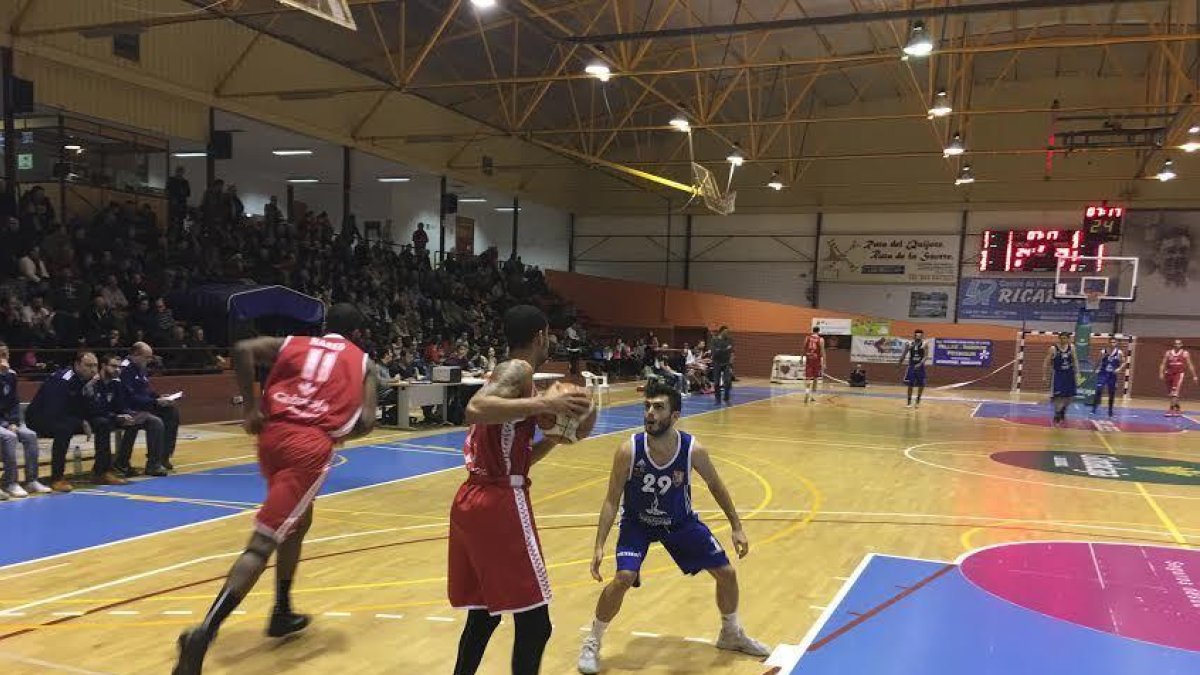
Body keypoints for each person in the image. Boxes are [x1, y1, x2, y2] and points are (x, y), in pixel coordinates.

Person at [173, 304, 377, 675]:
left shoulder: (297, 343)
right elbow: (366, 421)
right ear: (358, 332)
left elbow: (243, 349)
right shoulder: (362, 361)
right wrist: (339, 429)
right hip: (308, 445)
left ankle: (282, 610)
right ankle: (205, 631)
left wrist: (251, 408)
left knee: (300, 519)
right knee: (262, 544)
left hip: (272, 436)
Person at [576, 381, 770, 674]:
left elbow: (716, 486)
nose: (650, 413)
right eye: (647, 407)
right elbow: (611, 500)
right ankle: (593, 641)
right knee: (624, 577)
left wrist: (736, 526)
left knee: (727, 573)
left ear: (675, 415)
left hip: (679, 523)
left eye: (658, 407)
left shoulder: (693, 449)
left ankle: (730, 634)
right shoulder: (628, 450)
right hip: (637, 524)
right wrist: (599, 544)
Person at [448, 305, 592, 675]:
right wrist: (547, 402)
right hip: (499, 501)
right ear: (541, 335)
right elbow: (475, 408)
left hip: (476, 498)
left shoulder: (510, 376)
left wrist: (555, 440)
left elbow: (515, 459)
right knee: (535, 624)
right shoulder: (519, 369)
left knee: (483, 614)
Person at [23, 351, 99, 493]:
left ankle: (102, 471)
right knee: (64, 429)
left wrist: (85, 418)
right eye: (88, 365)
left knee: (102, 422)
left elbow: (87, 408)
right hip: (40, 418)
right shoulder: (63, 379)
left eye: (95, 366)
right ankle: (57, 478)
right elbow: (54, 410)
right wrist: (81, 421)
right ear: (77, 365)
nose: (93, 369)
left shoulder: (89, 381)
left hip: (67, 417)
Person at [117, 342, 180, 476]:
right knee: (155, 422)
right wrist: (155, 402)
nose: (149, 360)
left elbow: (146, 390)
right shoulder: (125, 369)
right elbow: (130, 397)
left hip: (143, 405)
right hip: (130, 408)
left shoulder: (140, 367)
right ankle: (153, 464)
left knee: (171, 412)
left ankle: (163, 457)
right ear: (135, 355)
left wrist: (160, 397)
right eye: (147, 357)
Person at [82, 354, 134, 486]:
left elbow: (120, 405)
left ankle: (121, 464)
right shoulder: (93, 383)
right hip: (89, 418)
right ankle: (102, 472)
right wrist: (115, 416)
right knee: (103, 424)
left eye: (119, 367)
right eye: (113, 366)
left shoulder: (116, 383)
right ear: (104, 366)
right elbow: (93, 409)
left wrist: (126, 414)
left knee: (135, 422)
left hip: (108, 416)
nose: (117, 370)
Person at [0, 342, 41, 498]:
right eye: (1, 355)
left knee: (30, 435)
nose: (4, 359)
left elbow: (14, 402)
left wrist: (13, 422)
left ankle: (32, 480)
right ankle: (10, 482)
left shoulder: (11, 375)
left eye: (6, 355)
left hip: (7, 421)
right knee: (9, 437)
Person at [1043, 332, 1080, 426]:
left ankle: (1062, 410)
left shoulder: (1071, 347)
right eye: (1061, 338)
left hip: (1069, 374)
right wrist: (1044, 375)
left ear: (1068, 339)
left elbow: (1075, 361)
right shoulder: (1053, 349)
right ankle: (1057, 414)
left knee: (1070, 397)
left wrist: (1078, 374)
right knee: (1058, 397)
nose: (1063, 340)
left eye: (1065, 338)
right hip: (1058, 375)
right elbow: (1046, 362)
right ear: (1059, 339)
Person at [1160, 339, 1198, 417]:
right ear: (1173, 345)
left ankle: (1171, 409)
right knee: (1171, 394)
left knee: (1175, 392)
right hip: (1169, 373)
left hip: (1179, 374)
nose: (1177, 345)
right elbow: (1163, 363)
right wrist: (1161, 373)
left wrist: (1194, 375)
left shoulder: (1185, 353)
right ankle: (1178, 408)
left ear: (1181, 345)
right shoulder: (1168, 353)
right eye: (1175, 344)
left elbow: (1190, 364)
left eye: (1179, 344)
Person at [1091, 337, 1125, 417]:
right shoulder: (1103, 352)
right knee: (1098, 390)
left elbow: (1124, 362)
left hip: (1112, 375)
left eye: (1114, 342)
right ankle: (1094, 408)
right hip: (1103, 373)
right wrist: (1094, 371)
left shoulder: (1119, 352)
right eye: (1111, 342)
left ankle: (1110, 410)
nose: (1112, 344)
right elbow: (1098, 361)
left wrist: (1119, 369)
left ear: (1116, 343)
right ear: (1108, 343)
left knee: (1111, 393)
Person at [898, 330, 929, 408]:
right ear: (914, 336)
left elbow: (926, 356)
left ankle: (918, 400)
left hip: (920, 367)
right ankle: (909, 402)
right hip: (911, 366)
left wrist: (920, 363)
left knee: (921, 384)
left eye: (920, 335)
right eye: (917, 335)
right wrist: (899, 363)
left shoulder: (925, 344)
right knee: (910, 384)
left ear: (922, 336)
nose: (918, 337)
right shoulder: (909, 344)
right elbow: (904, 354)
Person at [710, 326, 734, 405]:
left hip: (726, 363)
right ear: (721, 331)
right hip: (717, 363)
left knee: (727, 381)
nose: (727, 333)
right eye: (726, 332)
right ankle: (717, 399)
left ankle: (726, 399)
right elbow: (715, 352)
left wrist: (731, 362)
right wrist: (725, 349)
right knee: (716, 382)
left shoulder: (729, 340)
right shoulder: (714, 340)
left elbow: (731, 350)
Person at [802, 326, 825, 404]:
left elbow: (804, 348)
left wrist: (802, 358)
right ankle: (812, 397)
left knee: (808, 378)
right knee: (815, 379)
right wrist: (824, 362)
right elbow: (822, 352)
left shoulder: (807, 338)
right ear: (818, 331)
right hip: (816, 360)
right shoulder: (821, 339)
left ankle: (807, 392)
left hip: (809, 359)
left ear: (812, 331)